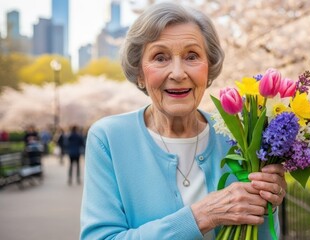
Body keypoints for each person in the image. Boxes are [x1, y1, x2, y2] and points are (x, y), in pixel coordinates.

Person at [80, 3, 286, 239]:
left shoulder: (239, 137)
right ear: (139, 73)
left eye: (192, 56)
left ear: (209, 69)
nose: (178, 73)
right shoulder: (109, 138)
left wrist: (268, 204)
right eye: (160, 57)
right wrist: (202, 217)